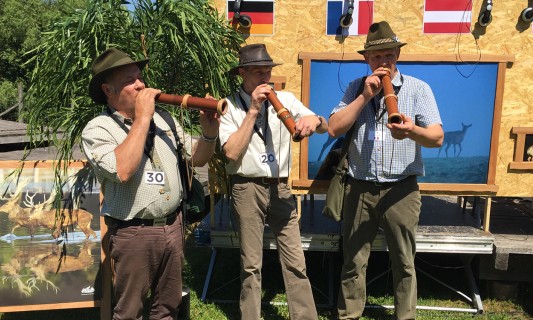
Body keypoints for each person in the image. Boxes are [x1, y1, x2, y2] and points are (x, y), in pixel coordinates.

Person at [81, 47, 219, 319]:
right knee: (129, 311)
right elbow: (122, 169)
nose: (141, 85)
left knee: (167, 308)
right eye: (130, 81)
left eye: (140, 77)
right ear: (108, 90)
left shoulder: (164, 119)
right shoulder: (98, 129)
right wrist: (143, 117)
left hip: (173, 225)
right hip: (134, 233)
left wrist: (209, 132)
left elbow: (198, 158)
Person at [328, 22, 444, 320]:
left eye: (388, 56)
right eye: (376, 57)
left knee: (404, 261)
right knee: (353, 259)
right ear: (367, 60)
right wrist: (365, 97)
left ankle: (405, 317)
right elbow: (333, 128)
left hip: (401, 189)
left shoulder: (419, 89)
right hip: (359, 187)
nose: (383, 63)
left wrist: (412, 130)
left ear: (397, 56)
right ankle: (348, 315)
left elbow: (437, 138)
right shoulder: (356, 87)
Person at [219, 43, 328, 320]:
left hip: (280, 186)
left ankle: (305, 317)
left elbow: (320, 122)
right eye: (257, 72)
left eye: (267, 71)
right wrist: (253, 110)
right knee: (251, 264)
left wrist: (312, 121)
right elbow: (231, 152)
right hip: (246, 186)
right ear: (242, 73)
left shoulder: (287, 100)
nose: (264, 78)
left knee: (295, 259)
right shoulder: (229, 106)